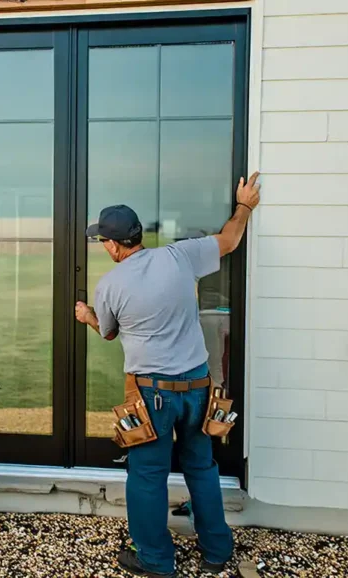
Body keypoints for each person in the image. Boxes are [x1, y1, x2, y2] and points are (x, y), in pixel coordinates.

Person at [74, 173, 261, 578]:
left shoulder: (110, 285)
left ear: (113, 244)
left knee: (147, 475)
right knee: (202, 467)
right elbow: (230, 240)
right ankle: (216, 551)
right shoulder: (181, 256)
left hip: (151, 394)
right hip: (197, 387)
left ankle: (156, 559)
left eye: (103, 240)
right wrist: (245, 205)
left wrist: (87, 315)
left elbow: (109, 332)